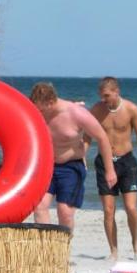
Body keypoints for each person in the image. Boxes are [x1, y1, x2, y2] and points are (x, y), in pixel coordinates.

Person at [28, 82, 116, 232]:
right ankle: (47, 244)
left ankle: (64, 244)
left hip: (71, 166)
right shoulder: (36, 111)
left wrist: (110, 170)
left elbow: (102, 138)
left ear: (50, 103)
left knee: (65, 212)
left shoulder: (76, 113)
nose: (38, 112)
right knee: (39, 207)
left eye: (41, 109)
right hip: (46, 165)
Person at [89, 77, 137, 260]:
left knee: (131, 207)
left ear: (116, 92)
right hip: (105, 163)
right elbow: (87, 135)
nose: (104, 99)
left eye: (107, 95)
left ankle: (135, 244)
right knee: (108, 210)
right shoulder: (97, 110)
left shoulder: (131, 109)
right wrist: (81, 156)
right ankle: (113, 250)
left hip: (126, 162)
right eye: (101, 96)